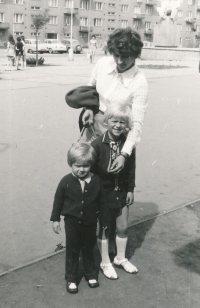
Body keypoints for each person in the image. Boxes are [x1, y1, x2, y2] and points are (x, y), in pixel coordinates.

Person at [82, 27, 148, 174]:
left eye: (126, 57)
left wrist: (124, 154)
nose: (119, 61)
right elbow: (90, 87)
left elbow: (136, 123)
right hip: (95, 125)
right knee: (89, 170)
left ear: (135, 55)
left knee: (111, 177)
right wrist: (88, 109)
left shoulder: (140, 82)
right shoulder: (103, 63)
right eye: (116, 55)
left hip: (118, 132)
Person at [50, 143, 109, 294]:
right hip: (71, 222)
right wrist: (55, 219)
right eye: (77, 165)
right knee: (72, 249)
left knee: (89, 248)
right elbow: (58, 201)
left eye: (86, 165)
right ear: (71, 164)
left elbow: (102, 202)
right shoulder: (66, 181)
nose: (81, 169)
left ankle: (90, 274)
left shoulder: (95, 181)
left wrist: (104, 220)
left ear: (91, 165)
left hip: (90, 222)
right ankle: (71, 278)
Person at [91, 104, 138, 280]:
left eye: (122, 122)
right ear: (106, 121)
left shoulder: (128, 144)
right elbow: (91, 171)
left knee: (123, 226)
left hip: (122, 191)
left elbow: (132, 167)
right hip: (103, 194)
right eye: (114, 121)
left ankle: (120, 258)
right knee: (104, 227)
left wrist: (131, 189)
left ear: (127, 125)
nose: (118, 125)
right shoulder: (97, 145)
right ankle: (105, 262)